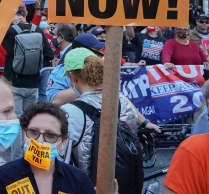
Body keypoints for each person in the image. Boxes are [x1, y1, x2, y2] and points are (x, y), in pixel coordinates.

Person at [61, 49, 159, 179]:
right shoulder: (121, 101)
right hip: (121, 179)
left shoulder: (67, 111)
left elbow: (63, 156)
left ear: (73, 77)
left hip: (86, 183)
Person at [0, 102, 96, 194]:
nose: (40, 140)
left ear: (63, 142)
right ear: (25, 135)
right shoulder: (0, 178)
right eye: (33, 132)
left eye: (50, 135)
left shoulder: (79, 180)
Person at [1, 5, 54, 160]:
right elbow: (49, 54)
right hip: (34, 84)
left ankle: (17, 159)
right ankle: (31, 156)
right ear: (26, 13)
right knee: (30, 121)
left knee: (16, 123)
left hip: (15, 84)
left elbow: (7, 52)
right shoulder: (37, 30)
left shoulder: (10, 32)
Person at [47, 32, 103, 105]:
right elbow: (55, 100)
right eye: (97, 50)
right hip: (70, 114)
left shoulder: (103, 69)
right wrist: (86, 85)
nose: (101, 53)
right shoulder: (60, 71)